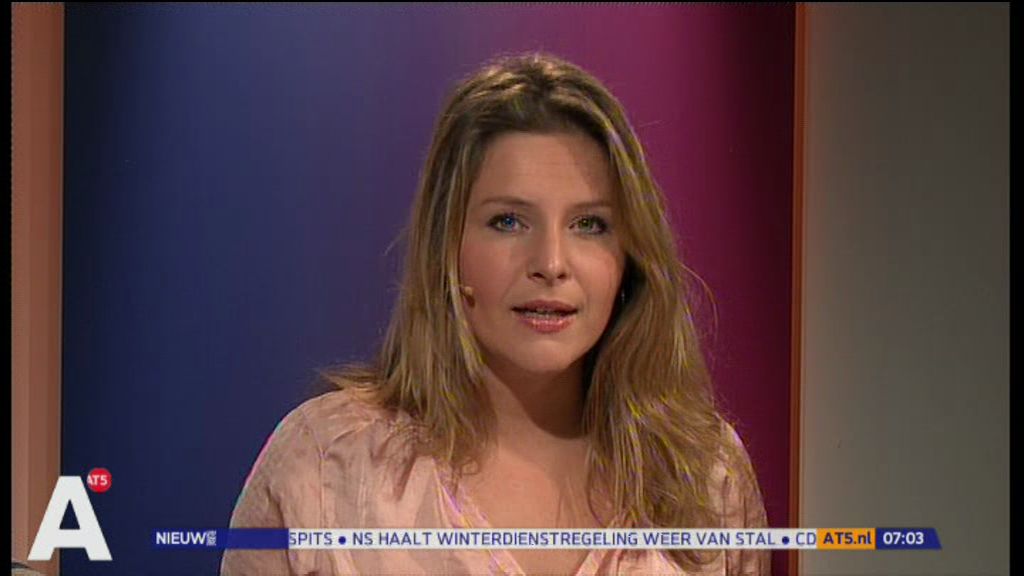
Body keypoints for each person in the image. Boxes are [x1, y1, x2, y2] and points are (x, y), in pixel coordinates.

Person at [221, 52, 770, 576]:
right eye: (508, 221)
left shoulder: (705, 472)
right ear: (448, 247)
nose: (551, 263)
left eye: (589, 225)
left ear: (628, 257)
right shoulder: (325, 464)